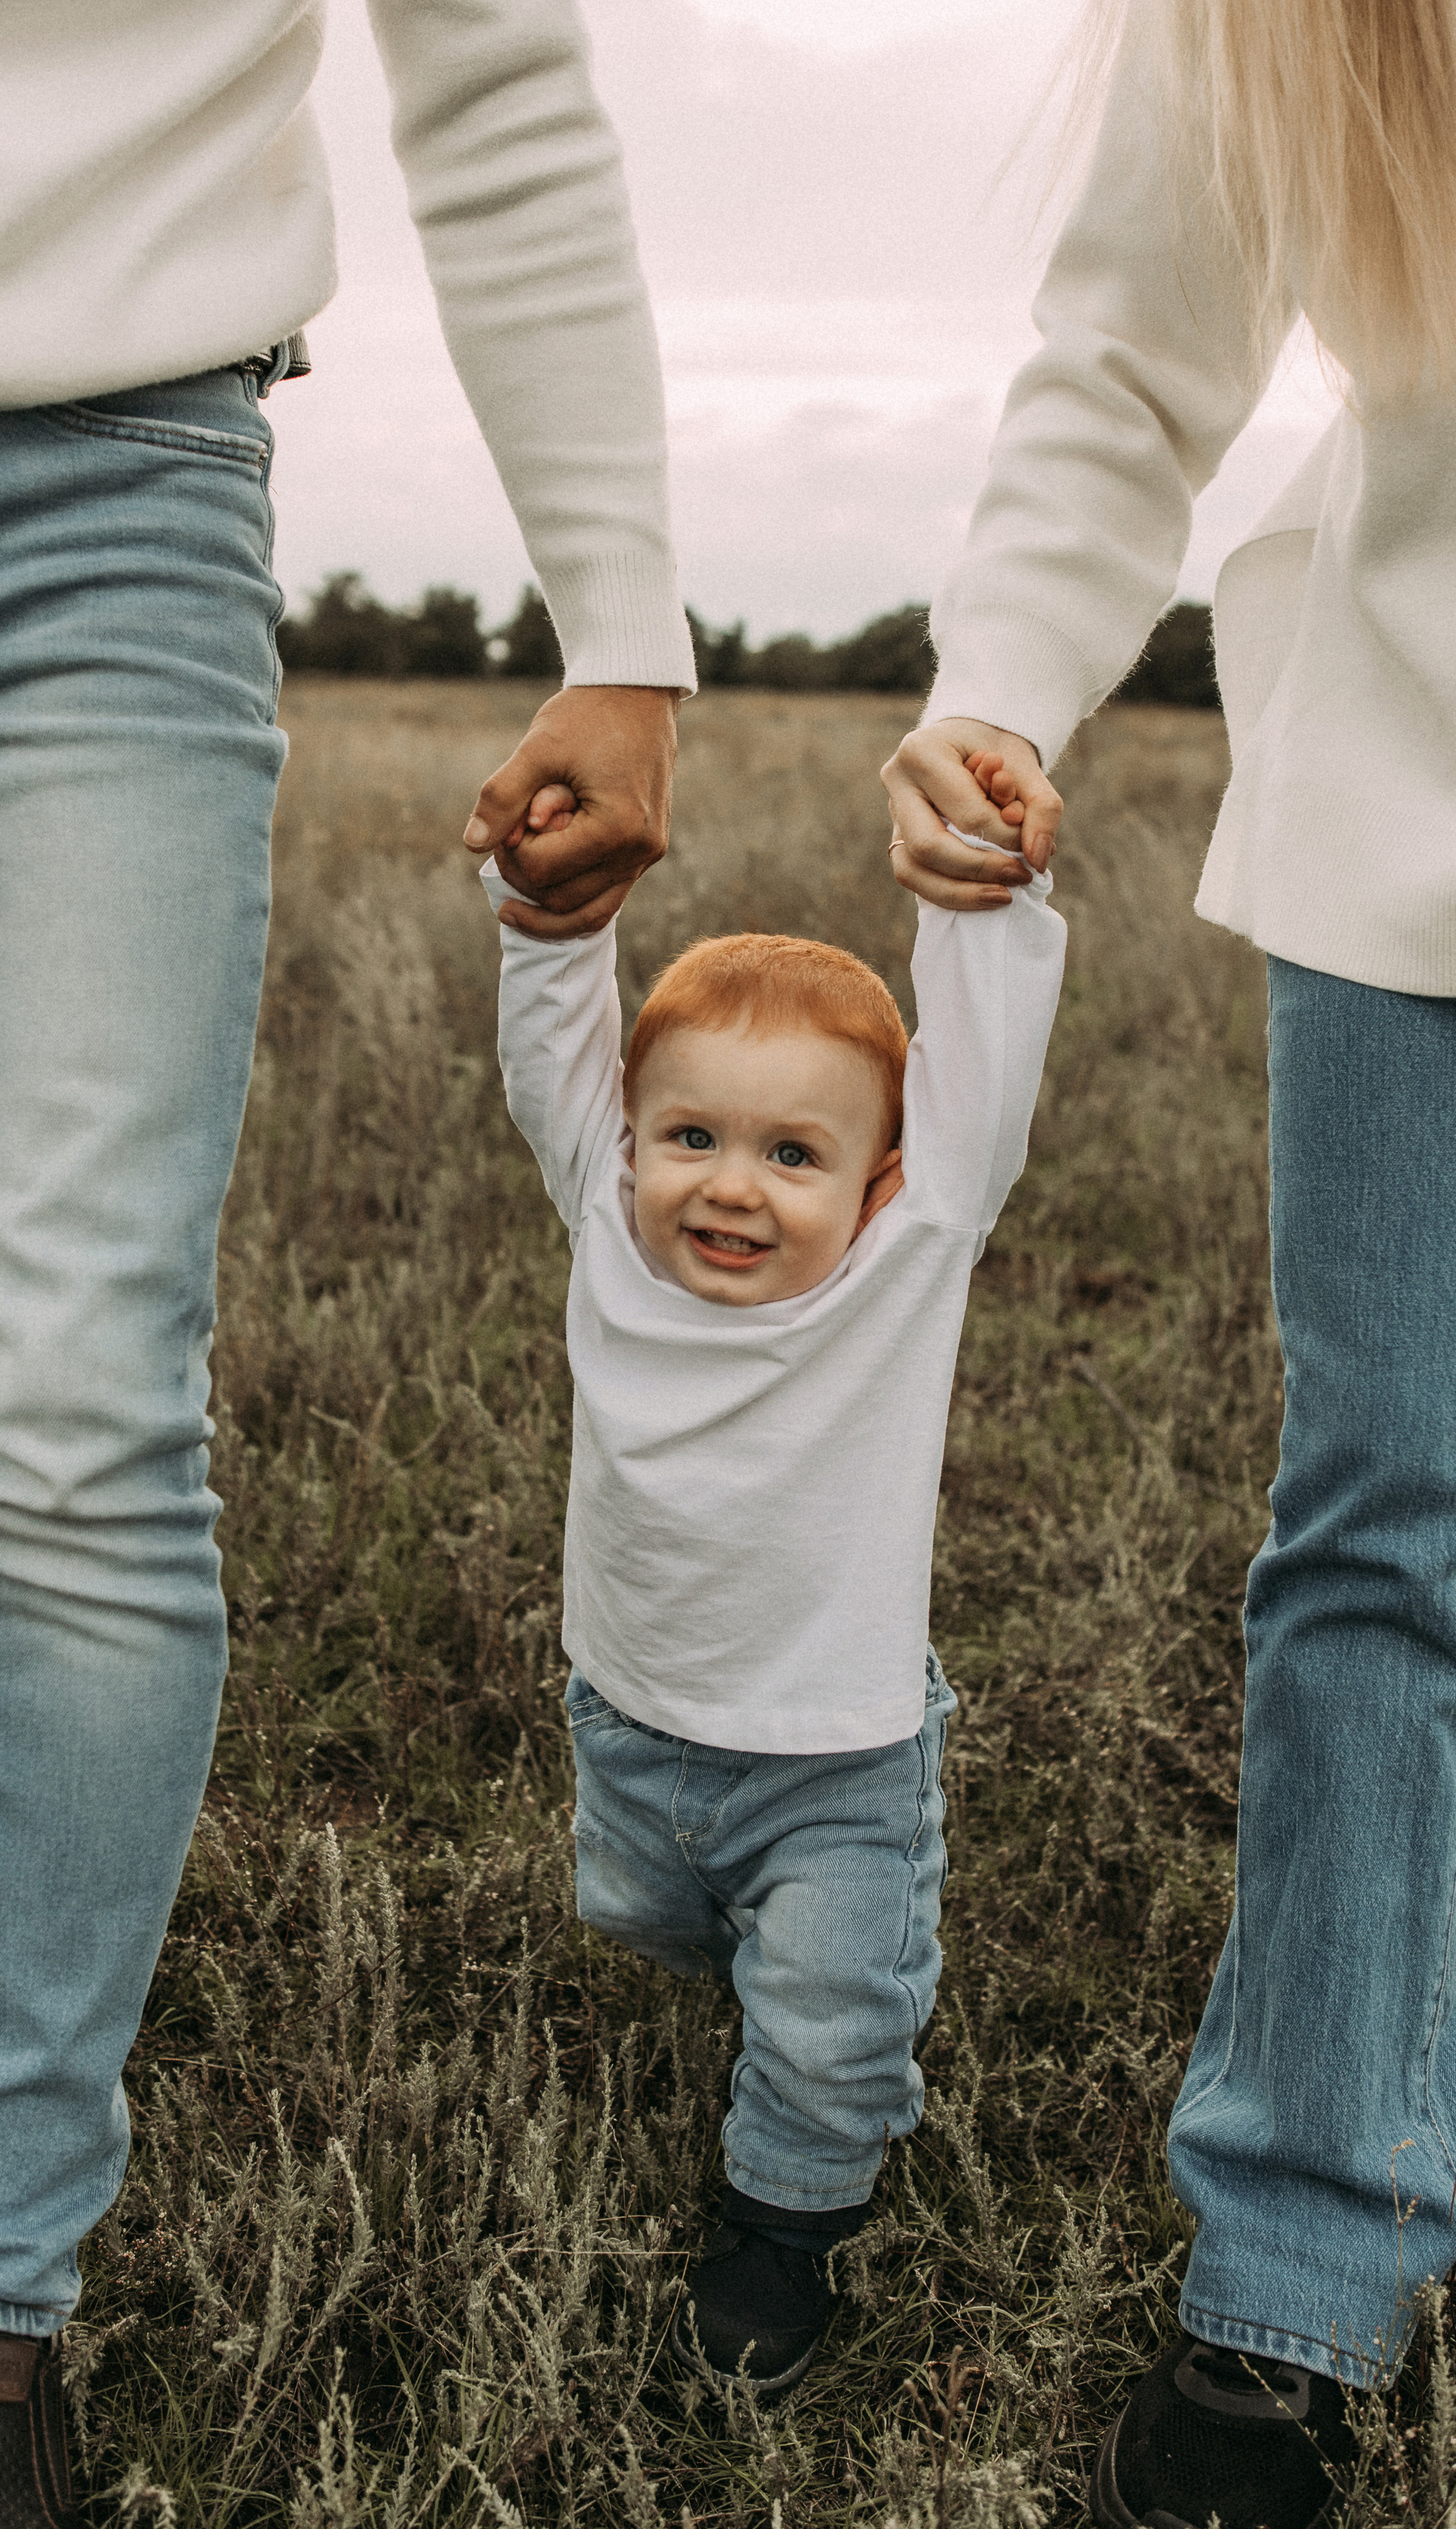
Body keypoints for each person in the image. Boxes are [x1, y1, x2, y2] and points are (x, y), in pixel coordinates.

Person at [0, 1, 693, 2517]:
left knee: (65, 1421)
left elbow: (498, 75)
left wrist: (628, 612)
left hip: (106, 503)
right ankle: (35, 1828)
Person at [883, 0, 1456, 2524]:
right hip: (1406, 773)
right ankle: (1292, 2261)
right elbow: (1131, 361)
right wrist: (997, 689)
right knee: (1389, 1518)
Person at [477, 772, 1064, 2395]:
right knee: (638, 1919)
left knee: (820, 2019)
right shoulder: (609, 1229)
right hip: (632, 1720)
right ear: (631, 1142)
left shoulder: (908, 1254)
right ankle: (798, 1996)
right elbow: (553, 1064)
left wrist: (981, 902)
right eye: (691, 1137)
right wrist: (549, 915)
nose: (731, 1186)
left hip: (838, 1754)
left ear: (881, 1180)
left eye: (794, 1154)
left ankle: (783, 2226)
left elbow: (979, 1090)